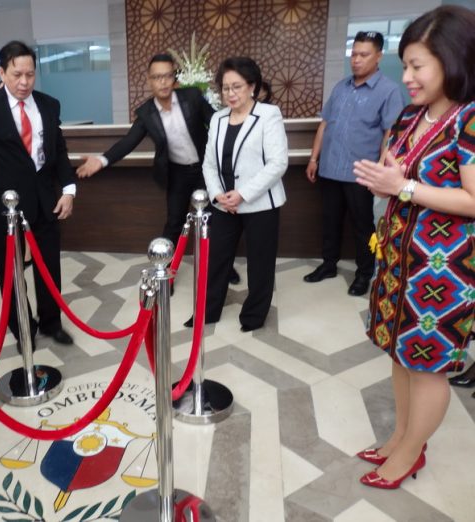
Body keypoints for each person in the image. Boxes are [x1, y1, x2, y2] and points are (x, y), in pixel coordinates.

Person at [353, 5, 475, 489]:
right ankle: (400, 436)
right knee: (400, 354)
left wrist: (402, 188)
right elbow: (396, 172)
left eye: (417, 65)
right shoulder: (411, 116)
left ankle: (408, 453)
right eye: (404, 65)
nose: (406, 76)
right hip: (399, 259)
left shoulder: (469, 120)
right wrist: (384, 182)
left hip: (442, 272)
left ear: (453, 59)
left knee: (426, 367)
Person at [77, 54, 240, 286]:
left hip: (206, 170)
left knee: (214, 222)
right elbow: (129, 141)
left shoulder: (192, 97)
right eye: (157, 77)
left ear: (174, 78)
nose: (162, 82)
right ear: (149, 80)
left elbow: (216, 122)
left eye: (167, 76)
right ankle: (166, 274)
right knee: (174, 222)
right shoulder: (145, 113)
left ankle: (224, 269)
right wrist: (102, 160)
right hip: (177, 174)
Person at [0, 40, 76, 348]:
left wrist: (69, 190)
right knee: (11, 273)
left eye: (30, 75)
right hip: (5, 206)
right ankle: (22, 329)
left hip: (46, 200)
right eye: (16, 74)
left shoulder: (49, 105)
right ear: (2, 72)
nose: (24, 82)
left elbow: (59, 150)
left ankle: (51, 323)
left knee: (49, 267)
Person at [304, 31, 404, 296]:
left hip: (361, 174)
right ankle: (328, 265)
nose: (356, 60)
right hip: (329, 169)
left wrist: (380, 171)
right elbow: (325, 124)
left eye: (364, 55)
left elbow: (389, 134)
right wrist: (314, 158)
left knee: (362, 227)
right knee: (329, 221)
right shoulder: (341, 87)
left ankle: (364, 274)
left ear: (379, 56)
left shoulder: (388, 91)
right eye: (354, 54)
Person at [199, 56, 288, 331]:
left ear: (252, 86)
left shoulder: (268, 115)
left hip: (260, 203)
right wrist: (217, 195)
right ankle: (208, 312)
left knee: (260, 263)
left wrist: (243, 194)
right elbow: (209, 163)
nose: (231, 93)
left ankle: (253, 316)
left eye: (237, 86)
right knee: (216, 260)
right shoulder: (218, 118)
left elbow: (277, 163)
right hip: (224, 204)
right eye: (226, 88)